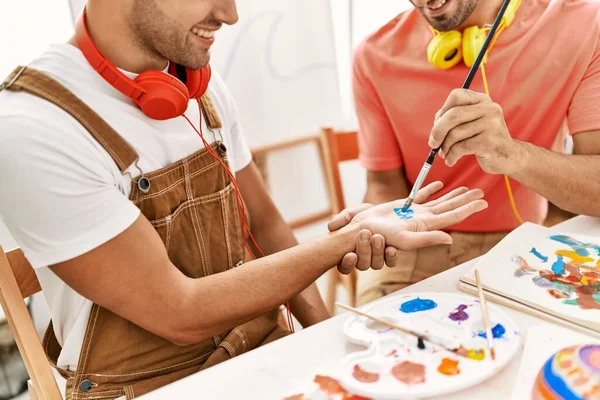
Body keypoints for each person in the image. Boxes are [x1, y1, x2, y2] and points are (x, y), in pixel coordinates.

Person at [0, 1, 487, 398]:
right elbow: (179, 312)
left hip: (263, 352)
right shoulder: (32, 128)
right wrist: (345, 242)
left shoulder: (200, 88)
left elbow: (268, 224)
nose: (230, 15)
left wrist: (331, 339)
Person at [350, 0, 600, 305]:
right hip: (413, 246)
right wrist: (385, 225)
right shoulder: (372, 55)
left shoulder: (584, 25)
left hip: (519, 244)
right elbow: (382, 182)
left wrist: (513, 154)